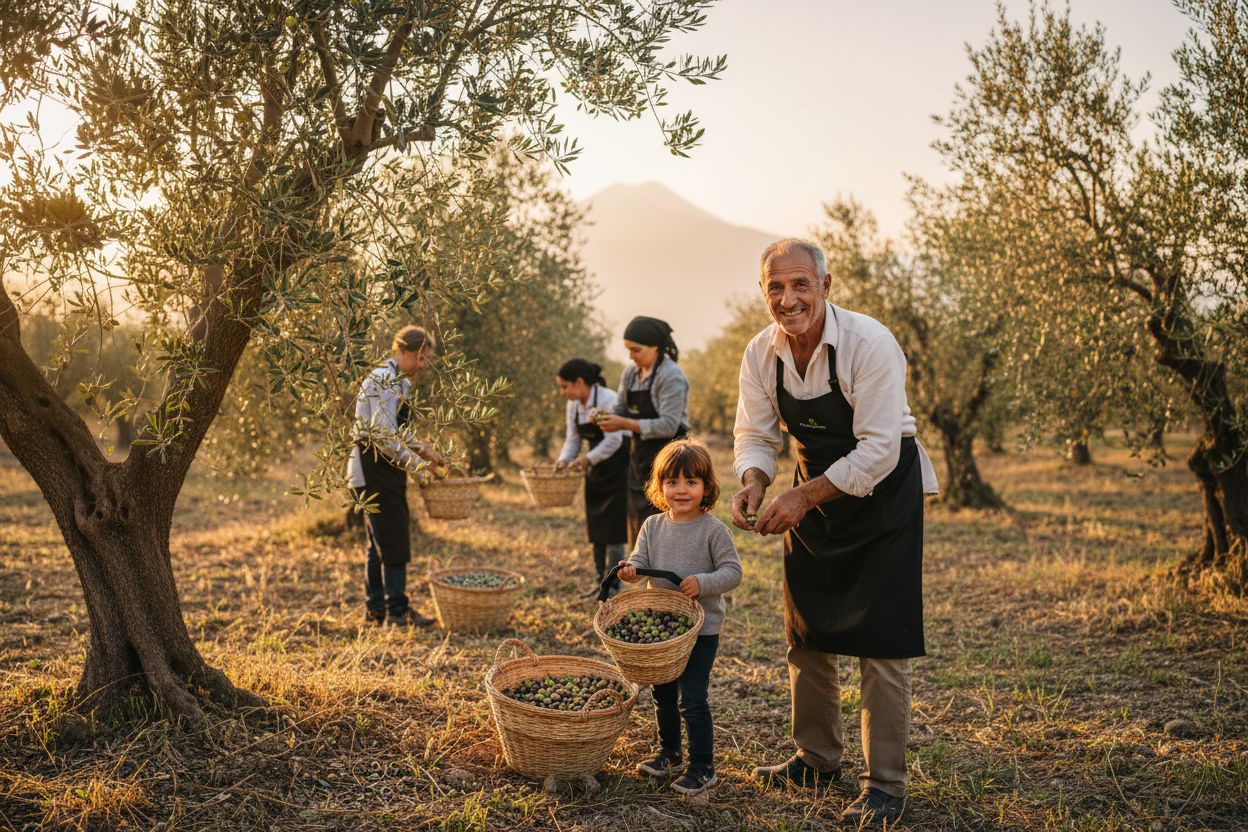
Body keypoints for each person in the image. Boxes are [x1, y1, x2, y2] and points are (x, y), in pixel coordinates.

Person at [731, 239, 938, 824]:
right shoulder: (760, 352)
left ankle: (885, 786)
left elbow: (877, 450)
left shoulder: (869, 344)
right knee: (807, 630)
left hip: (884, 500)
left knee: (882, 641)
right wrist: (754, 481)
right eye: (776, 286)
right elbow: (756, 432)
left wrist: (799, 496)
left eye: (800, 284)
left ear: (827, 285)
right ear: (764, 291)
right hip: (814, 497)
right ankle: (817, 757)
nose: (788, 298)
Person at [617, 439, 742, 797]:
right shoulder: (653, 526)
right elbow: (639, 561)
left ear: (706, 487)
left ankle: (703, 766)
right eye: (672, 482)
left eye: (691, 482)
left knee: (693, 697)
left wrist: (702, 583)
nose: (681, 490)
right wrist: (630, 572)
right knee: (664, 693)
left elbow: (733, 572)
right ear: (660, 487)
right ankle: (669, 753)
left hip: (701, 630)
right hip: (662, 631)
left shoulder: (713, 531)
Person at [347, 325, 445, 627]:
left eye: (425, 359)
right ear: (402, 351)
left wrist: (423, 449)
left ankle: (376, 609)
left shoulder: (401, 382)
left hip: (381, 468)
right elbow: (383, 437)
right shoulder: (385, 380)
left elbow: (399, 429)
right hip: (371, 466)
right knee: (393, 540)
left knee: (379, 543)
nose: (422, 365)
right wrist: (415, 465)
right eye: (419, 358)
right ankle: (398, 613)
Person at [595, 316, 690, 549]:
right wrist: (602, 416)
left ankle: (668, 581)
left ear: (655, 346)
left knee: (667, 522)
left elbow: (668, 425)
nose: (630, 356)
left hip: (671, 456)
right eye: (628, 350)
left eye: (635, 350)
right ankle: (643, 574)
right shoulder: (631, 373)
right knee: (640, 520)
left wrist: (624, 423)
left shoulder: (671, 376)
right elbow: (620, 408)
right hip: (641, 457)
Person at [553, 358, 631, 597]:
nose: (562, 392)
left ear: (579, 382)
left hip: (619, 464)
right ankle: (600, 583)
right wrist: (564, 459)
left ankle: (614, 585)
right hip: (596, 468)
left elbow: (615, 439)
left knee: (614, 529)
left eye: (564, 386)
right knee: (596, 526)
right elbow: (573, 438)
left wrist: (588, 459)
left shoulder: (608, 399)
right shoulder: (574, 405)